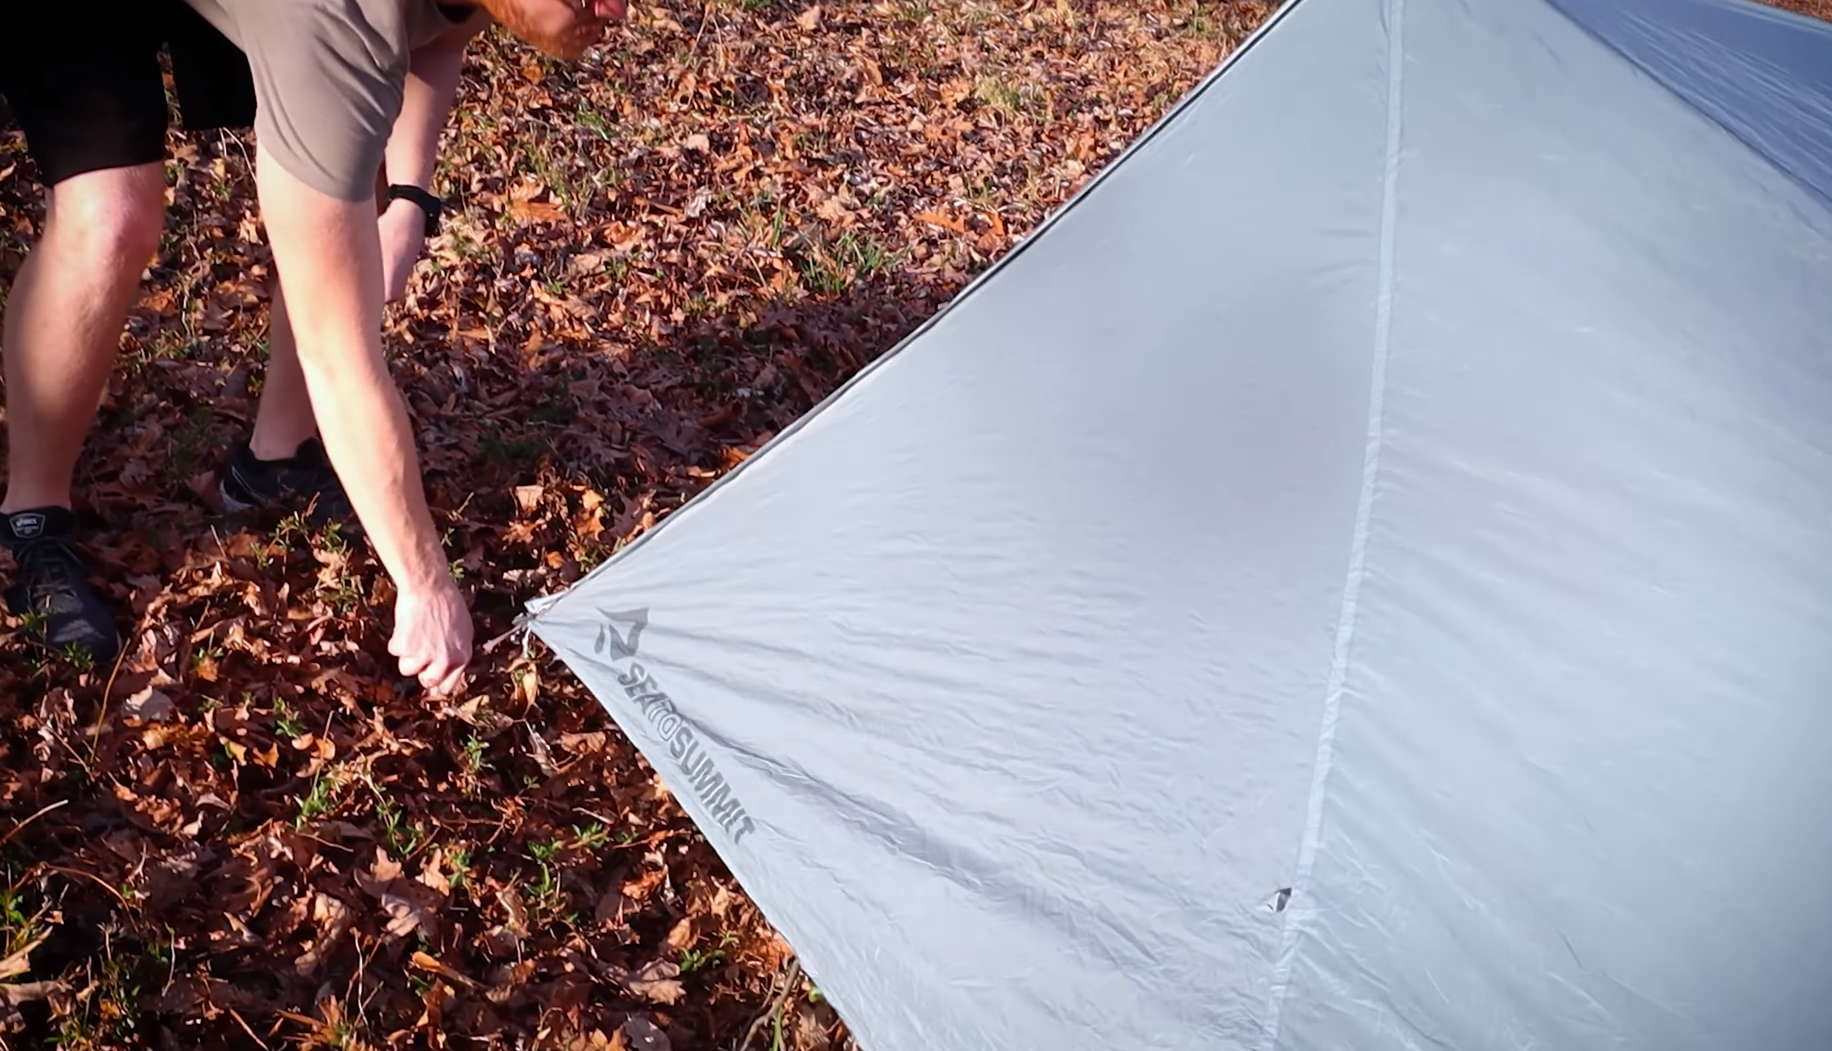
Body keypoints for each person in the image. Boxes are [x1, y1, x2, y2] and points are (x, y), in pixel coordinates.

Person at [0, 0, 629, 694]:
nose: (614, 9)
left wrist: (411, 199)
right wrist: (425, 585)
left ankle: (275, 457)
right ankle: (30, 515)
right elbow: (341, 359)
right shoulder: (338, 23)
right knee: (113, 211)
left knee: (355, 163)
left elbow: (439, 36)